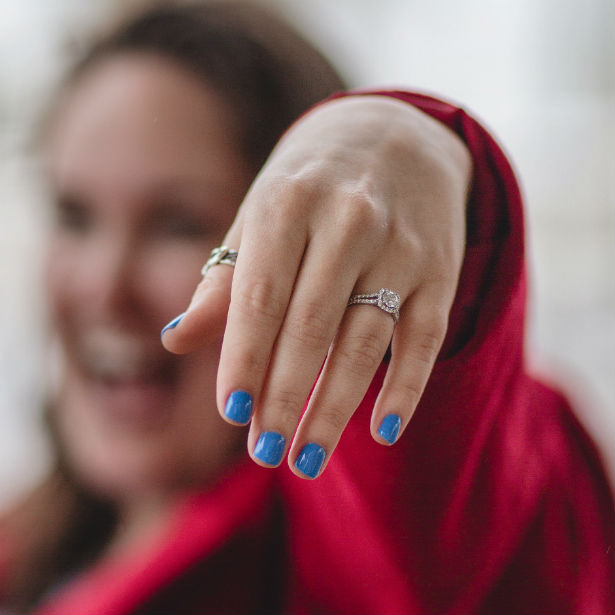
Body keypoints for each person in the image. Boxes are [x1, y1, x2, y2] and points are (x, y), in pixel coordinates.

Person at [1, 2, 613, 613]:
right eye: (74, 216)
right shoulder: (28, 541)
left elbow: (455, 471)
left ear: (331, 244)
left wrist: (407, 137)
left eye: (179, 225)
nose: (105, 288)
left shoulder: (349, 556)